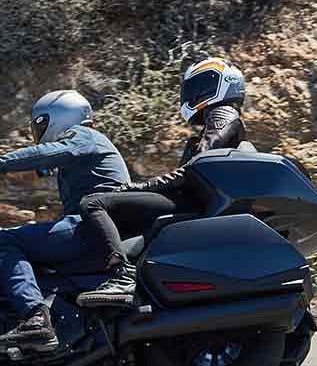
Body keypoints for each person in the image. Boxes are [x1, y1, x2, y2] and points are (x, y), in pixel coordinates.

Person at [0, 89, 129, 350]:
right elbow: (39, 164)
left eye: (40, 125)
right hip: (98, 234)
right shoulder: (88, 148)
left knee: (0, 241)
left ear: (57, 117)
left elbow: (42, 154)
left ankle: (36, 319)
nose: (38, 133)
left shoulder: (84, 136)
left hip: (88, 232)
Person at [75, 58, 247, 309]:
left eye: (201, 84)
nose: (193, 92)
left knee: (94, 203)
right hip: (192, 199)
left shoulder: (222, 114)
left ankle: (124, 278)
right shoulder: (217, 122)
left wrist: (139, 187)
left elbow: (192, 170)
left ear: (222, 84)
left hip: (189, 200)